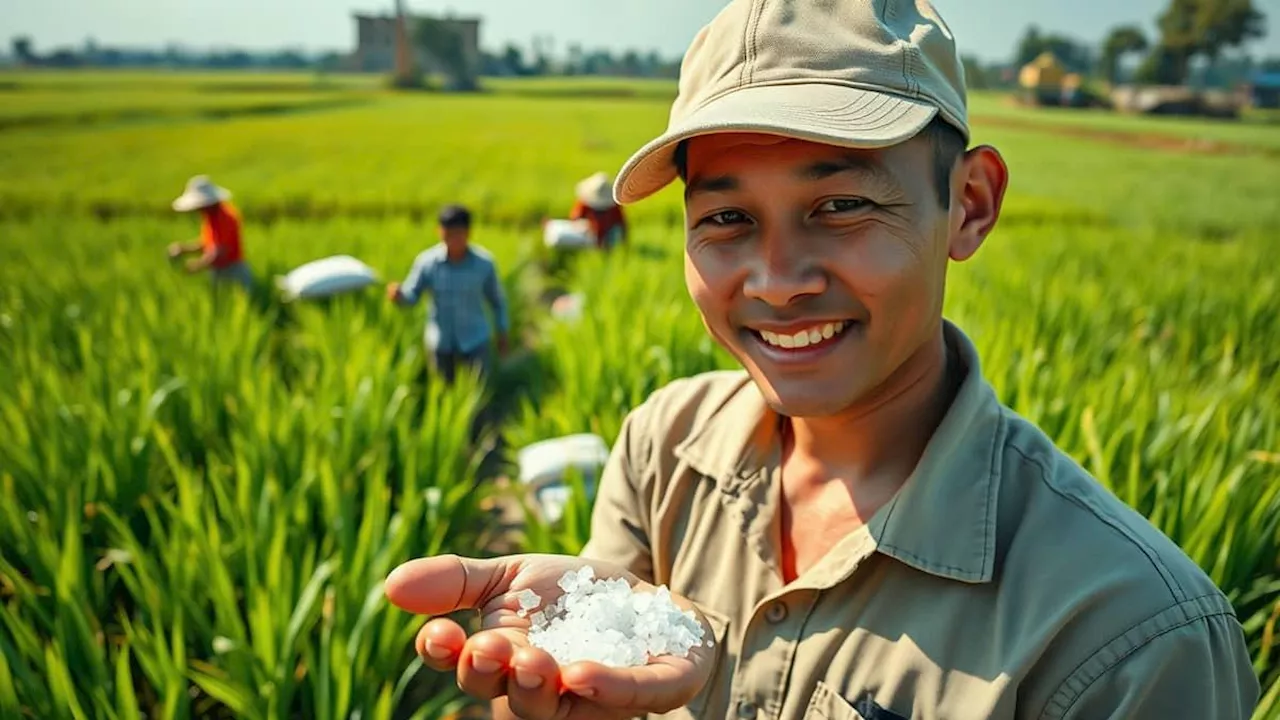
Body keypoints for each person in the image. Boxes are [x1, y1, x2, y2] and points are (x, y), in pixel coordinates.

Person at [384, 1, 1261, 718]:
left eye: (840, 204)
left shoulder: (1130, 635)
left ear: (969, 205)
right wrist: (553, 687)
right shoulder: (664, 445)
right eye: (725, 219)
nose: (776, 282)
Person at [387, 203, 510, 385]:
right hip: (440, 343)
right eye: (448, 234)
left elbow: (497, 301)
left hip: (475, 340)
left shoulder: (484, 264)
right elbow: (411, 295)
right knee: (444, 394)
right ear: (439, 232)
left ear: (468, 233)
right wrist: (399, 296)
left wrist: (502, 332)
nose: (453, 240)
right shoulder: (427, 263)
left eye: (458, 234)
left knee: (476, 393)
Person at [166, 175, 254, 290]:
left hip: (233, 272)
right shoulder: (211, 217)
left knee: (241, 305)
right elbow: (207, 244)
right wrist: (184, 248)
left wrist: (196, 265)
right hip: (218, 271)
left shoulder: (226, 217)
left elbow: (218, 252)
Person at [568, 171, 627, 250]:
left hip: (608, 233)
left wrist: (624, 241)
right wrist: (585, 225)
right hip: (588, 234)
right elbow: (574, 218)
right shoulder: (584, 203)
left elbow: (622, 223)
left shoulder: (614, 206)